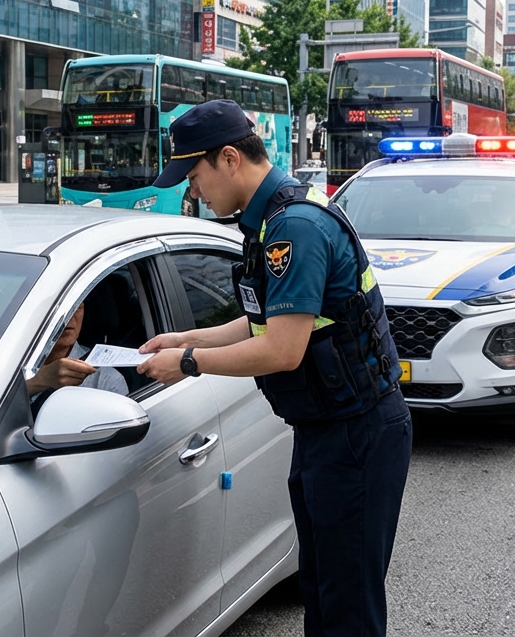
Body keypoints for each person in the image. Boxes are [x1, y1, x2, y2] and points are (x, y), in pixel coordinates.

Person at [134, 99, 411, 637]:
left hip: (356, 434)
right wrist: (188, 337)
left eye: (194, 175)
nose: (193, 191)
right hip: (328, 429)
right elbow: (266, 320)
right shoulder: (273, 218)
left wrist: (188, 362)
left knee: (347, 607)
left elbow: (282, 350)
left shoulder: (294, 227)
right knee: (322, 592)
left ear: (229, 158)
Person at [26, 301, 130, 400]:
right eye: (58, 308)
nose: (68, 318)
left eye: (76, 306)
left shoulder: (106, 380)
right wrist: (41, 379)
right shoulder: (17, 360)